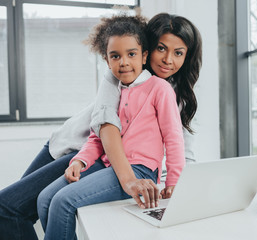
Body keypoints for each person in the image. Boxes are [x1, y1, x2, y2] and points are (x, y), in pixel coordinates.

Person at [0, 12, 202, 240]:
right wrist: (125, 179)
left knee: (20, 208)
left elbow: (179, 143)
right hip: (72, 146)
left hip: (103, 158)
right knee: (14, 208)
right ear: (148, 49)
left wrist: (177, 187)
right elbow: (105, 129)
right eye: (161, 48)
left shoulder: (172, 93)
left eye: (178, 53)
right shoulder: (119, 73)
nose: (167, 59)